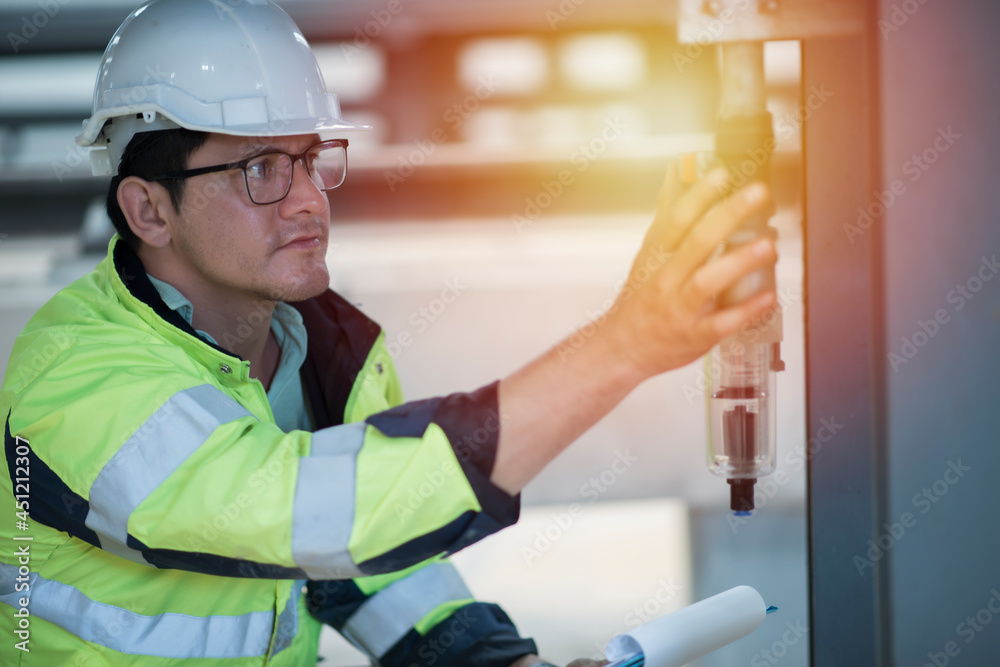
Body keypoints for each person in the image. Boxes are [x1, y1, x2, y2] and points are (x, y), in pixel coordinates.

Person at [0, 1, 777, 665]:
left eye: (312, 160)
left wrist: (489, 658)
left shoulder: (322, 351)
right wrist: (623, 345)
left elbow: (361, 566)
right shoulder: (72, 378)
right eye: (261, 171)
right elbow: (304, 509)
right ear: (149, 211)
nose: (309, 201)